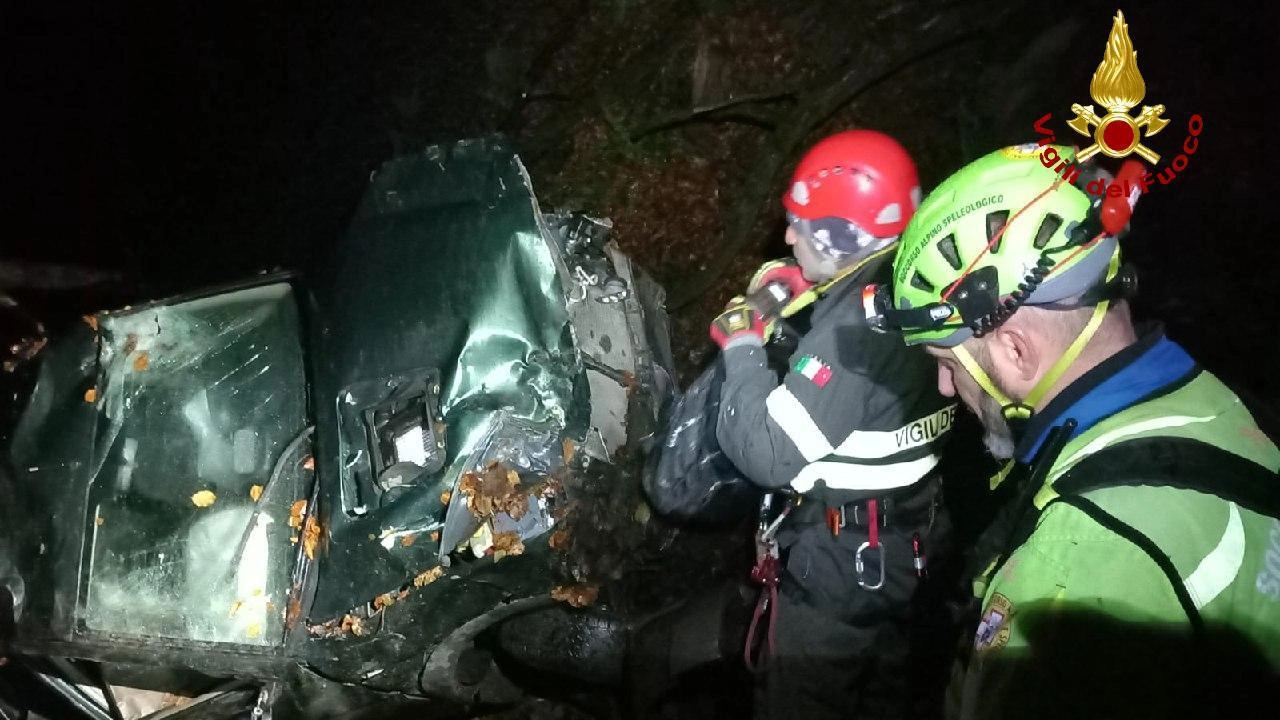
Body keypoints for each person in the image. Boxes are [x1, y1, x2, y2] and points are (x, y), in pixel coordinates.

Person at [864, 144, 1280, 718]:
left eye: (948, 362)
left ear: (1013, 348)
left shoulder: (1069, 577)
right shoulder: (1217, 400)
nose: (942, 386)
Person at [709, 129, 957, 719]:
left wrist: (741, 346)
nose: (789, 235)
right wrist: (816, 282)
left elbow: (766, 453)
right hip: (911, 547)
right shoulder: (919, 277)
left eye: (804, 225)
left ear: (849, 239)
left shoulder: (853, 338)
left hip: (842, 572)